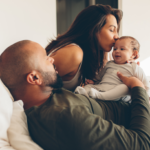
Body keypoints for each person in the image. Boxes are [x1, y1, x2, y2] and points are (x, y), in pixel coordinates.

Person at [0, 40, 149, 150]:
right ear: (34, 78)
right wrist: (137, 87)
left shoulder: (49, 94)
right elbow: (142, 143)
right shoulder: (64, 119)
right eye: (46, 58)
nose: (52, 60)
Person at [45, 4, 123, 91]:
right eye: (112, 30)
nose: (117, 37)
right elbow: (35, 84)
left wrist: (127, 66)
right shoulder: (73, 53)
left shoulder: (94, 56)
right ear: (93, 29)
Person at [75, 36, 150, 101]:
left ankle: (99, 96)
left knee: (125, 88)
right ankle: (83, 93)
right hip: (102, 87)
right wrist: (93, 81)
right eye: (114, 49)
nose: (117, 51)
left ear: (133, 54)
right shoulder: (109, 64)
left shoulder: (134, 67)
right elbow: (100, 77)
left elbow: (146, 85)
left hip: (117, 93)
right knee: (89, 86)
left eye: (122, 49)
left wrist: (146, 99)